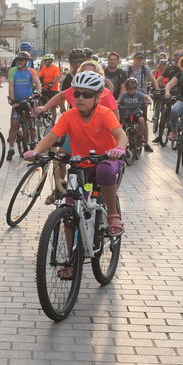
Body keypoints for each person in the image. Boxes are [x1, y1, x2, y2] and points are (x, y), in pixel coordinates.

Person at [24, 70, 128, 242]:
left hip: (106, 160)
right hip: (80, 165)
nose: (80, 98)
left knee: (104, 171)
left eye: (86, 94)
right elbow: (51, 137)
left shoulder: (104, 114)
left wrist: (118, 149)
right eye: (76, 93)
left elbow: (121, 135)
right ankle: (70, 262)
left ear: (97, 97)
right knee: (69, 209)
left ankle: (112, 214)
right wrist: (36, 151)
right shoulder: (68, 116)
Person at [6, 51, 41, 160]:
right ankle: (11, 148)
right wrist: (12, 100)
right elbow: (11, 86)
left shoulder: (31, 71)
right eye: (17, 60)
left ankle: (33, 147)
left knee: (32, 124)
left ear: (27, 61)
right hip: (17, 102)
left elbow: (38, 83)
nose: (19, 62)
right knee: (14, 125)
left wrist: (38, 92)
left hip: (29, 102)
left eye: (21, 60)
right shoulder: (12, 71)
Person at [117, 77, 152, 153]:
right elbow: (118, 101)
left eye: (133, 89)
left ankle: (140, 135)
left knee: (142, 120)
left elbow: (146, 96)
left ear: (136, 88)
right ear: (126, 89)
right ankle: (123, 139)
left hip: (136, 111)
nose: (131, 91)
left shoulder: (138, 94)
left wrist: (149, 100)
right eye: (129, 89)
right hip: (127, 113)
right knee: (121, 125)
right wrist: (115, 104)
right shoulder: (124, 95)